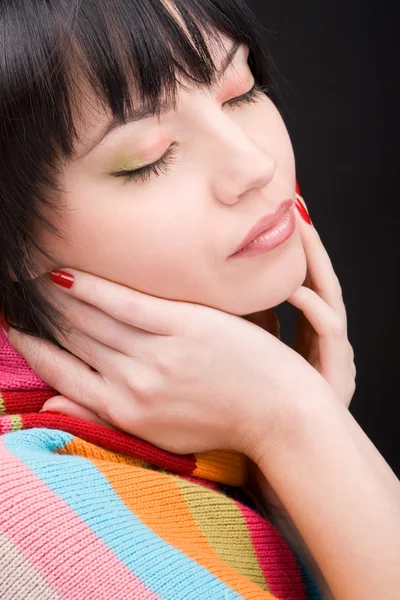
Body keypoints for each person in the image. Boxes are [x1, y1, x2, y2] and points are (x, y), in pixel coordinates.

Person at [0, 1, 399, 599]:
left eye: (240, 92)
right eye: (149, 158)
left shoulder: (213, 452)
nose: (254, 164)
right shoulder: (32, 517)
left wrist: (287, 463)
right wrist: (293, 419)